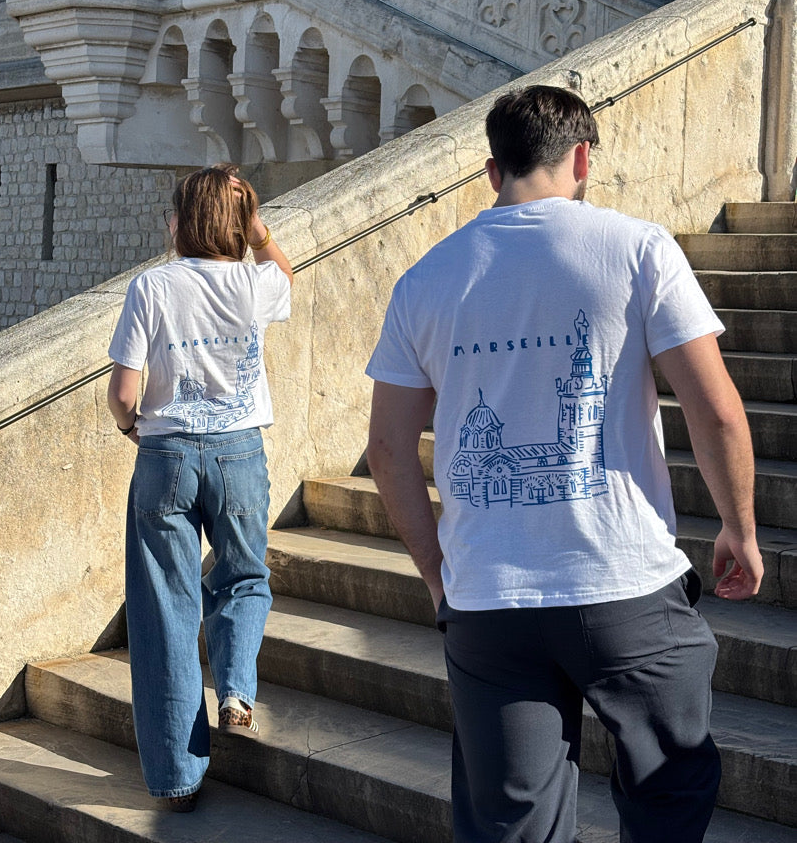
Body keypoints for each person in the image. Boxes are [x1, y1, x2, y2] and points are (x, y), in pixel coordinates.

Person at [365, 85, 763, 843]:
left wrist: (438, 576)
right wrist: (739, 527)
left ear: (493, 170)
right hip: (625, 583)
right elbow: (715, 411)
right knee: (670, 797)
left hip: (488, 599)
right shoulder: (639, 249)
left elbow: (387, 449)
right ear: (583, 158)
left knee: (513, 826)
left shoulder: (425, 280)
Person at [107, 164, 293, 812]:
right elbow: (284, 275)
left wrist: (133, 428)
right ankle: (236, 691)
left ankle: (177, 779)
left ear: (181, 222)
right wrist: (258, 229)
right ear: (236, 222)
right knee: (243, 576)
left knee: (165, 611)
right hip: (240, 451)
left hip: (166, 454)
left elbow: (123, 393)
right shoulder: (253, 282)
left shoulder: (152, 286)